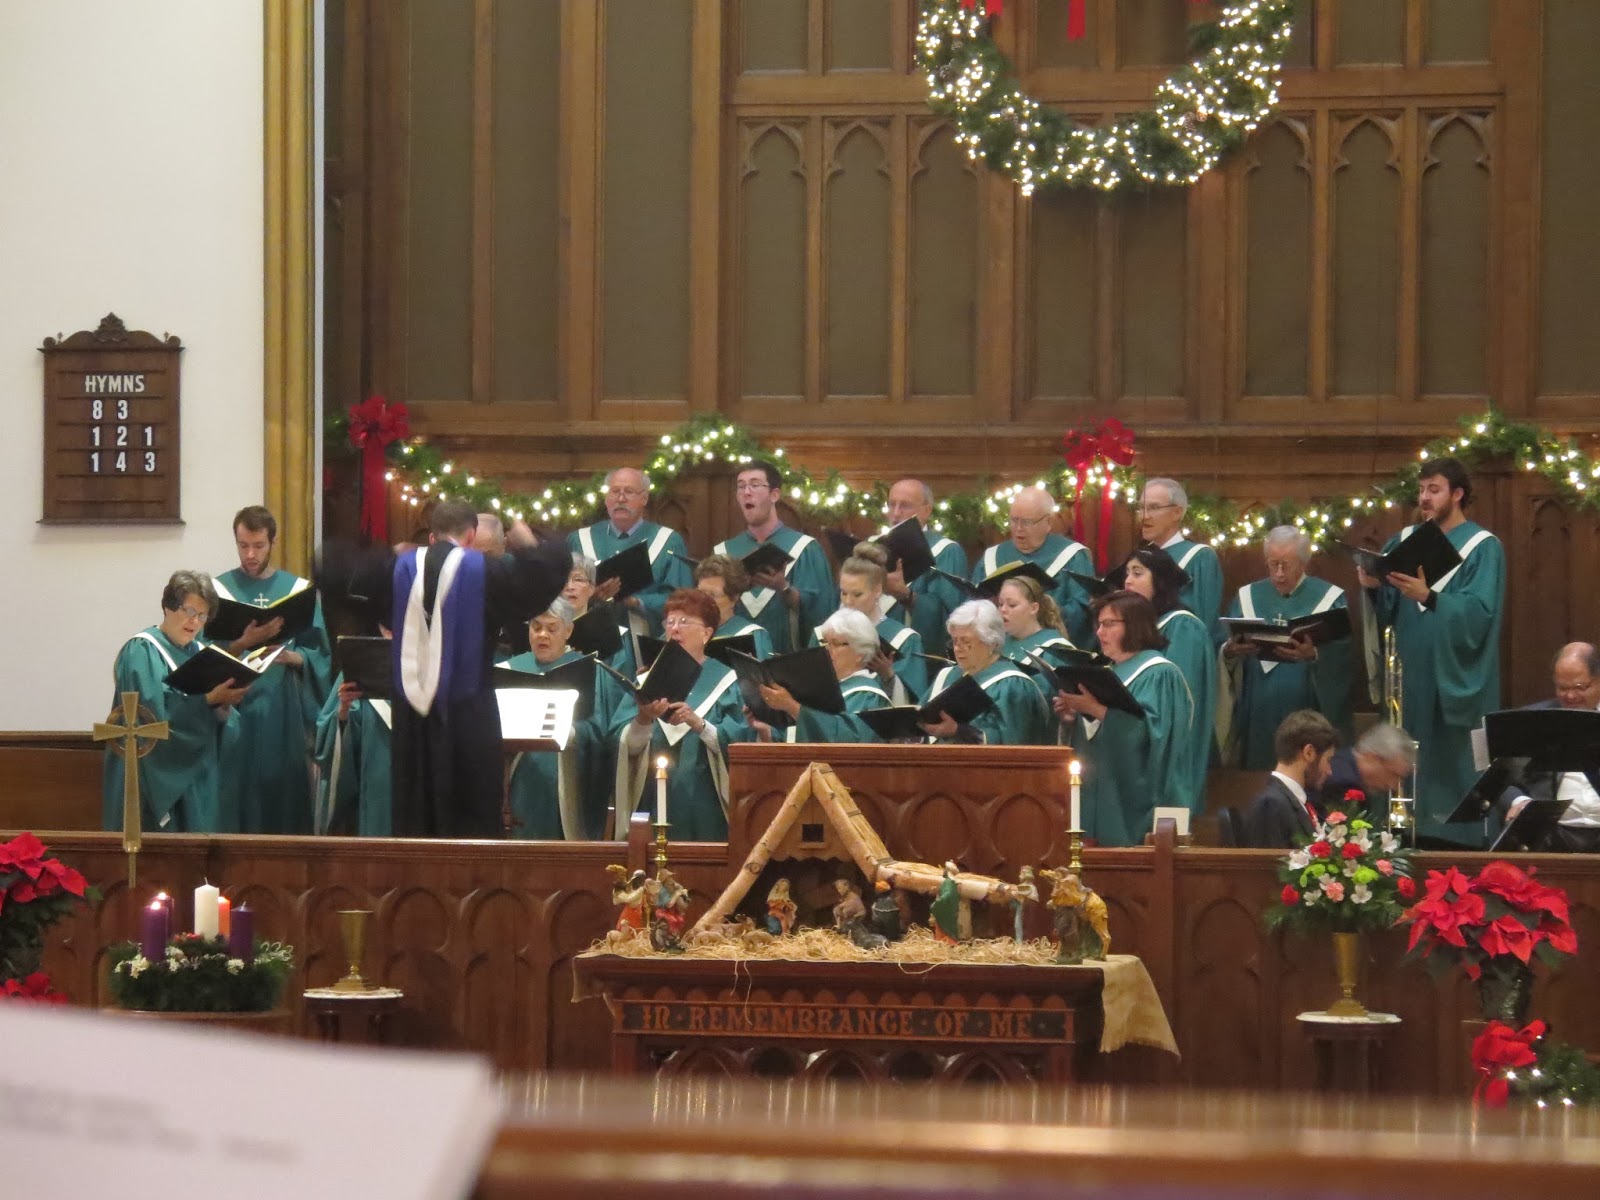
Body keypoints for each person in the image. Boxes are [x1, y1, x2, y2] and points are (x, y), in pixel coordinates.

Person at [383, 499, 572, 838]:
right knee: (472, 815)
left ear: (431, 536)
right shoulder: (485, 571)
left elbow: (343, 576)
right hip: (468, 712)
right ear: (471, 536)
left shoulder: (401, 567)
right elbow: (545, 575)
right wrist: (528, 543)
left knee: (415, 812)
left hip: (413, 721)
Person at [1358, 457, 1505, 845]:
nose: (1424, 497)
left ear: (1457, 494)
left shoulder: (1483, 547)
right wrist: (1374, 586)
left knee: (1449, 773)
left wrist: (1431, 597)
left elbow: (1480, 613)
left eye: (1434, 489)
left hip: (1451, 677)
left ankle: (1456, 838)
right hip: (1409, 677)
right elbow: (1389, 609)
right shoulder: (1407, 538)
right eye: (1422, 489)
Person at [101, 570, 250, 833]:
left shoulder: (202, 654)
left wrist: (223, 707)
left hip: (196, 778)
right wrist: (206, 701)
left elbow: (224, 726)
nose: (194, 622)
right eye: (189, 611)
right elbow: (150, 717)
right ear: (168, 607)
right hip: (155, 778)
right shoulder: (142, 651)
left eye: (202, 616)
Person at [216, 505, 333, 835]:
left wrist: (295, 658)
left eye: (258, 546)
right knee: (237, 792)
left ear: (273, 542)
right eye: (243, 546)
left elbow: (323, 656)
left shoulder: (297, 590)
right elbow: (200, 655)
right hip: (235, 705)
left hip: (283, 708)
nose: (250, 555)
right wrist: (242, 642)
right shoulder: (219, 590)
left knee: (282, 796)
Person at [1056, 591, 1194, 847]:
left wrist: (1098, 711)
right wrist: (1073, 715)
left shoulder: (1160, 673)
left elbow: (1156, 740)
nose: (1099, 633)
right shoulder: (1107, 674)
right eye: (1098, 625)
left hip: (1134, 808)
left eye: (1109, 624)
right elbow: (1095, 737)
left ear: (1134, 625)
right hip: (1101, 795)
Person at [611, 588, 752, 840]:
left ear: (707, 633)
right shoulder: (646, 680)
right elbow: (620, 744)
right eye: (670, 622)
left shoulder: (728, 682)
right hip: (652, 801)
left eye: (685, 622)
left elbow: (744, 742)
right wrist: (643, 720)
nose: (674, 629)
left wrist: (699, 724)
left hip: (708, 808)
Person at [1220, 526, 1353, 770]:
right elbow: (1224, 645)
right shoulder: (1247, 596)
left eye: (1286, 565)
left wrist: (1314, 654)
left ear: (1304, 563)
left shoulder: (1330, 598)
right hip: (1259, 705)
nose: (1279, 574)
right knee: (1259, 771)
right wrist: (1230, 652)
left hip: (1306, 704)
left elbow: (1343, 656)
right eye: (1273, 564)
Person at [502, 598, 626, 840]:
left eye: (551, 628)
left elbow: (605, 730)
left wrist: (570, 732)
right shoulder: (508, 669)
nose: (542, 635)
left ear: (568, 630)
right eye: (536, 627)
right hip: (516, 778)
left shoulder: (592, 672)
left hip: (567, 776)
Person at [1119, 546, 1214, 814]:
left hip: (1170, 747)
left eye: (1137, 573)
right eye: (1126, 573)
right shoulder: (1141, 631)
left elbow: (1179, 700)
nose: (1127, 581)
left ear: (1159, 582)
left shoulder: (1182, 626)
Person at [713, 461, 834, 654]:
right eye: (741, 486)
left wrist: (784, 588)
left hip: (787, 662)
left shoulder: (804, 549)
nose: (746, 492)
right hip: (733, 662)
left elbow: (822, 611)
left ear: (774, 494)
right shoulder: (724, 553)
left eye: (755, 484)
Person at [1497, 643, 1600, 852]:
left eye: (1580, 687)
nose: (1570, 696)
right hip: (1551, 835)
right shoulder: (1532, 721)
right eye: (1563, 688)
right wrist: (1521, 801)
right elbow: (1501, 780)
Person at [568, 467, 693, 637]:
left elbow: (682, 599)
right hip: (588, 635)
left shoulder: (668, 541)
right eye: (615, 491)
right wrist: (591, 594)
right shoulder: (579, 540)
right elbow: (559, 594)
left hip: (645, 638)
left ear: (644, 498)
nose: (620, 499)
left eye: (629, 492)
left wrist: (636, 601)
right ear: (606, 499)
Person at [971, 487, 1093, 646]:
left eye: (1027, 522)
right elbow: (973, 604)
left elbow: (1081, 610)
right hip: (998, 649)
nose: (1018, 528)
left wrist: (1034, 620)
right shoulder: (992, 557)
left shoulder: (1073, 556)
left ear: (1048, 522)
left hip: (1049, 648)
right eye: (1014, 520)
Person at [750, 607, 892, 744]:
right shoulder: (818, 689)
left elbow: (849, 739)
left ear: (860, 653)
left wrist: (792, 707)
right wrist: (764, 729)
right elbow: (792, 741)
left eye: (835, 643)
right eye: (825, 642)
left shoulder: (867, 695)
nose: (826, 650)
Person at [921, 600, 1051, 746]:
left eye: (966, 641)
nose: (957, 649)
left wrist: (958, 731)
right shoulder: (946, 676)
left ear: (991, 642)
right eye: (955, 641)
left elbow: (1013, 743)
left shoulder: (1012, 684)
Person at [312, 627, 394, 837]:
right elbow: (332, 736)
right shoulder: (359, 668)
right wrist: (343, 710)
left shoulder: (434, 667)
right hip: (376, 785)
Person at [824, 542, 927, 703]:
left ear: (877, 590)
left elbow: (915, 704)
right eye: (844, 593)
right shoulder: (825, 633)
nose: (848, 601)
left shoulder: (904, 640)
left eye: (857, 594)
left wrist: (888, 675)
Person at [881, 478, 970, 656]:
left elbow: (949, 614)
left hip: (916, 656)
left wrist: (906, 596)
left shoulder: (945, 551)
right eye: (891, 505)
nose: (896, 513)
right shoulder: (874, 548)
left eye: (905, 506)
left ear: (926, 511)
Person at [1241, 710, 1340, 848]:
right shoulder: (1271, 805)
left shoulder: (1291, 801)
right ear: (1309, 752)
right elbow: (1272, 867)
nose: (1329, 771)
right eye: (1328, 760)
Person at [1138, 478, 1223, 637]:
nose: (1144, 516)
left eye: (1153, 508)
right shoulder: (1141, 557)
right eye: (1141, 508)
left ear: (1176, 512)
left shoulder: (1199, 557)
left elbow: (1201, 622)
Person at [1319, 722, 1418, 814]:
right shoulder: (1343, 785)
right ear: (1372, 758)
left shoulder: (1341, 761)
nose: (1393, 786)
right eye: (1394, 775)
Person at [693, 553, 774, 659]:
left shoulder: (751, 636)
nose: (704, 600)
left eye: (713, 595)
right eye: (701, 593)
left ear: (734, 598)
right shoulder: (684, 629)